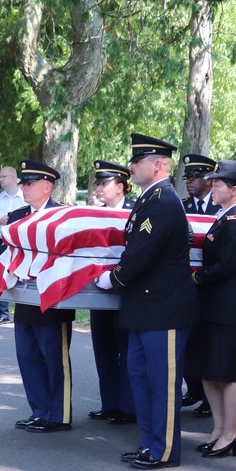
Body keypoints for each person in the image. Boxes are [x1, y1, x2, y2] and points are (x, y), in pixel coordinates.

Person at [95, 134, 198, 469]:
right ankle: (150, 442)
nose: (131, 166)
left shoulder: (163, 201)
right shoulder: (149, 199)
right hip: (145, 308)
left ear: (157, 165)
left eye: (137, 161)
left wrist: (114, 278)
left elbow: (141, 253)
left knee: (162, 383)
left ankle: (165, 450)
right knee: (140, 376)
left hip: (163, 309)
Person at [186, 161, 236, 459]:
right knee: (209, 372)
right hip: (214, 308)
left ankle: (230, 435)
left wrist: (192, 278)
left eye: (218, 184)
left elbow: (224, 267)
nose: (212, 187)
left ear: (234, 189)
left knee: (228, 375)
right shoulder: (224, 218)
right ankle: (218, 429)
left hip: (232, 311)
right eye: (212, 183)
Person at [10, 160, 75, 433]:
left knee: (53, 357)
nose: (23, 187)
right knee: (28, 355)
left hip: (53, 299)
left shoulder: (64, 217)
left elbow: (71, 257)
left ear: (47, 186)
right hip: (25, 297)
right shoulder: (16, 217)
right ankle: (39, 411)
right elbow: (0, 253)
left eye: (30, 183)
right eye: (22, 183)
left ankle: (58, 415)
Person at [87, 160, 136, 425]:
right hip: (98, 293)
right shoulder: (95, 214)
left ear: (121, 186)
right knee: (103, 350)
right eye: (98, 184)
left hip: (126, 292)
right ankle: (110, 403)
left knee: (126, 350)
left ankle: (128, 407)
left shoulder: (136, 212)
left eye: (104, 184)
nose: (99, 189)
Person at [179, 154, 220, 417]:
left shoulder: (221, 208)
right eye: (187, 177)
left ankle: (209, 397)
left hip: (213, 286)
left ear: (208, 179)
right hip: (185, 284)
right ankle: (193, 387)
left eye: (194, 177)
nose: (189, 181)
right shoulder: (180, 207)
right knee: (187, 339)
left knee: (209, 342)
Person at [0, 166, 26, 325]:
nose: (0, 179)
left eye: (3, 176)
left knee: (22, 274)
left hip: (21, 243)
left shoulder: (25, 198)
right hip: (1, 241)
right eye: (0, 177)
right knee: (1, 275)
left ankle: (24, 310)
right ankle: (3, 313)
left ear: (13, 178)